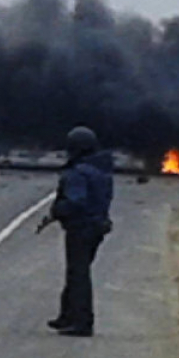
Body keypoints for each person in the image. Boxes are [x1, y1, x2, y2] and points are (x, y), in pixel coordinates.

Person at [47, 126, 114, 338]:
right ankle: (67, 315)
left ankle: (82, 322)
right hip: (97, 226)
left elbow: (76, 201)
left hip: (81, 227)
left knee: (78, 274)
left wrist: (58, 210)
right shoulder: (101, 171)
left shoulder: (79, 173)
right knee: (78, 271)